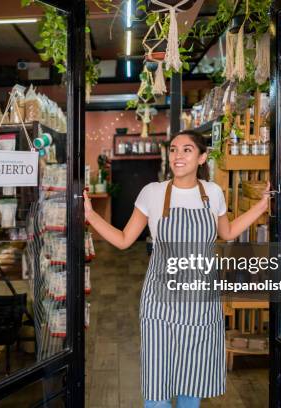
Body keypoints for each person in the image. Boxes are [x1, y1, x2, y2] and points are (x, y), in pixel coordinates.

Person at [84, 130, 271, 408]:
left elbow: (228, 232)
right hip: (160, 302)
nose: (178, 156)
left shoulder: (213, 193)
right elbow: (123, 240)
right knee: (157, 387)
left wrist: (262, 205)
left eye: (186, 150)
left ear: (202, 157)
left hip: (199, 302)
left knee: (191, 384)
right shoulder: (153, 193)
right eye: (173, 149)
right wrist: (90, 215)